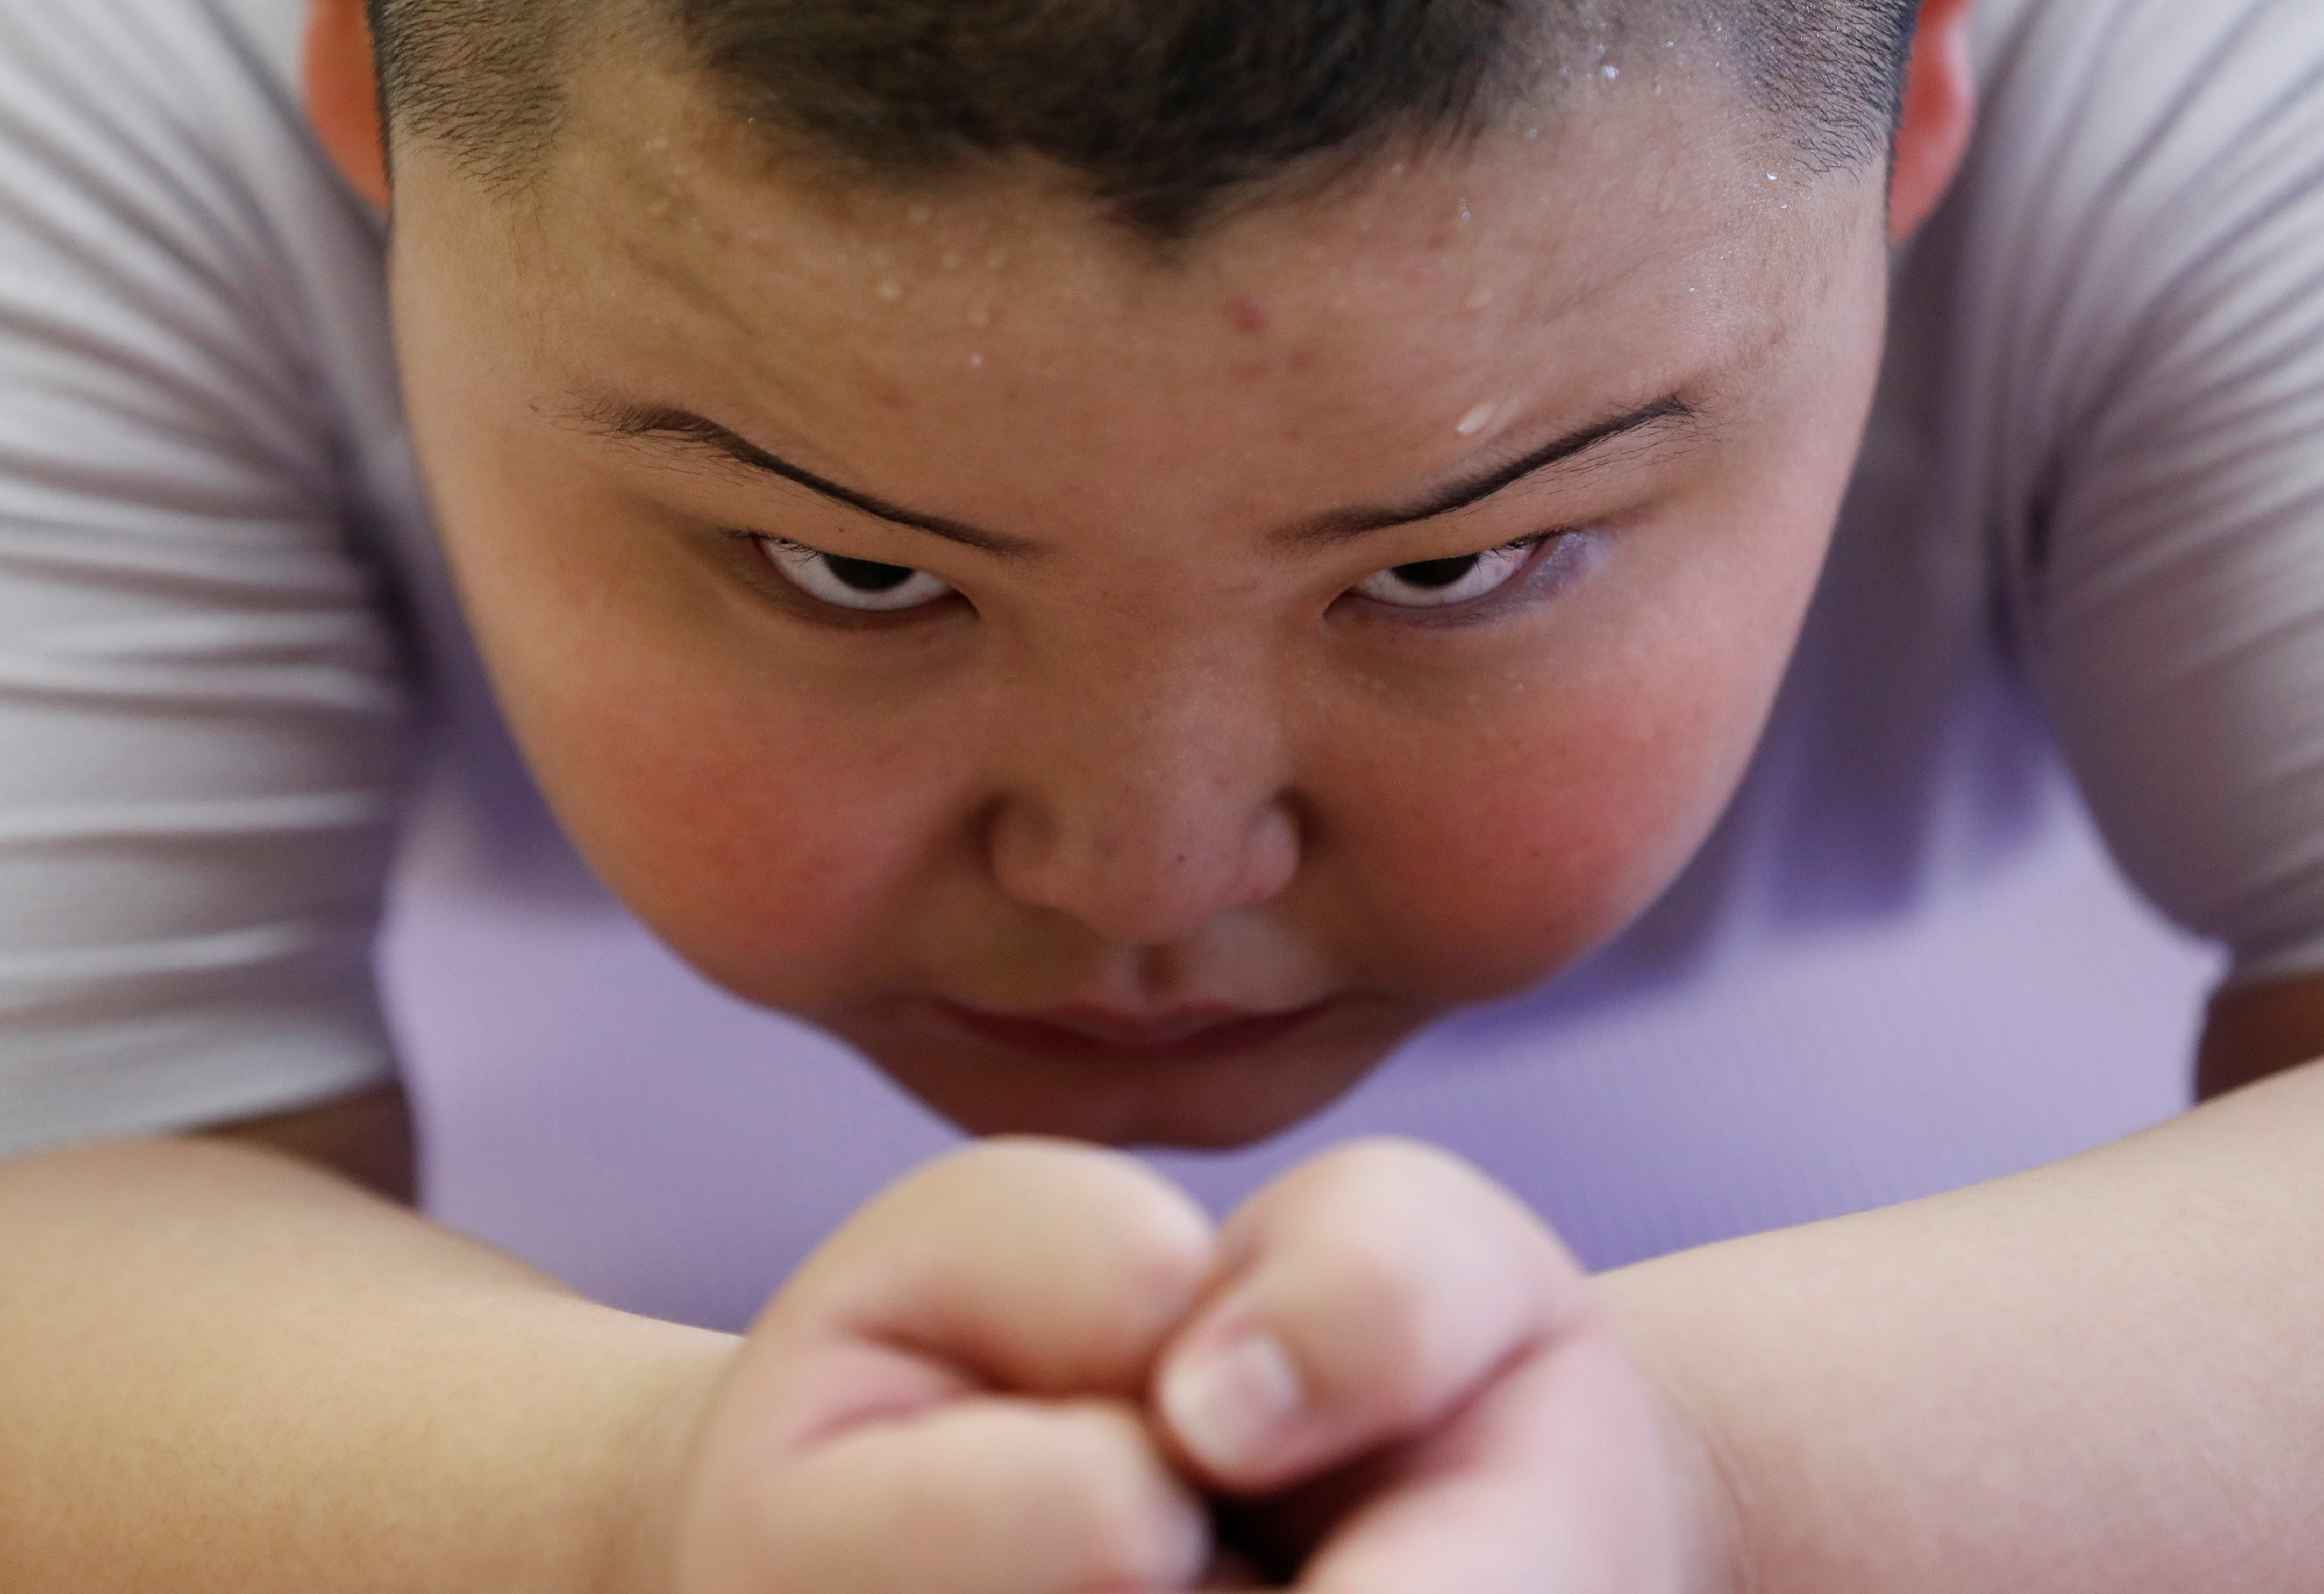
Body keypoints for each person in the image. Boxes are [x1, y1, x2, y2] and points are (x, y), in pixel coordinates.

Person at [1, 0, 2320, 1585]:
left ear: (1924, 92)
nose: (1143, 868)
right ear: (367, 100)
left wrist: (1705, 1485)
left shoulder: (2221, 78)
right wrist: (637, 1515)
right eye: (848, 565)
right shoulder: (84, 96)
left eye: (1456, 558)